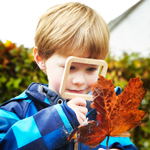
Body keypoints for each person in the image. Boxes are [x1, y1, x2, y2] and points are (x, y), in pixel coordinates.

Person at [0, 2, 138, 150]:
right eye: (70, 67)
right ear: (40, 59)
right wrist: (59, 120)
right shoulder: (17, 111)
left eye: (91, 68)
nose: (79, 81)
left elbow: (125, 144)